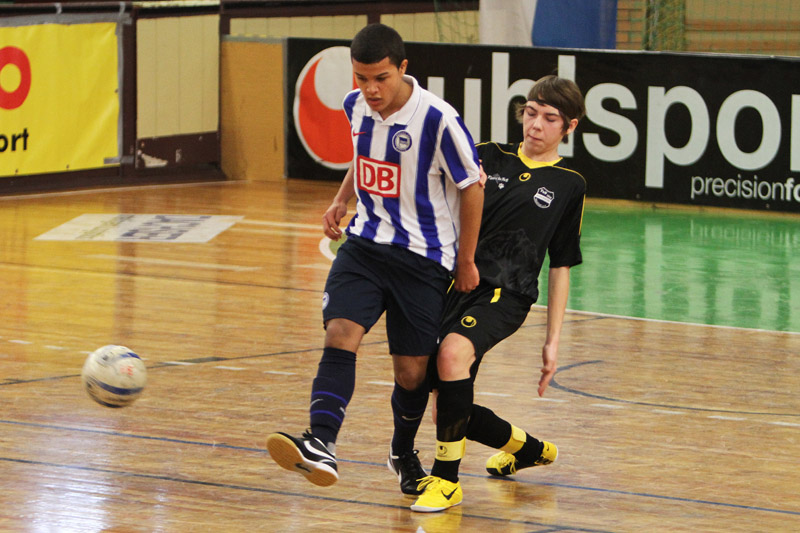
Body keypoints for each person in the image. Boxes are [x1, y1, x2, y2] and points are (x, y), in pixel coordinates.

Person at [266, 23, 483, 491]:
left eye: (381, 78)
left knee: (412, 372)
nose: (371, 89)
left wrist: (466, 260)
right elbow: (363, 156)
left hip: (424, 258)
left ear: (403, 68)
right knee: (340, 332)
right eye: (361, 78)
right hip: (364, 246)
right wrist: (341, 198)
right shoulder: (354, 106)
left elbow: (472, 186)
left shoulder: (438, 119)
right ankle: (321, 441)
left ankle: (402, 452)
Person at [409, 75, 587, 512]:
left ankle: (446, 481)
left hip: (506, 294)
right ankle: (530, 450)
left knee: (452, 355)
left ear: (570, 126)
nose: (536, 125)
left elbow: (561, 265)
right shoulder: (487, 155)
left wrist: (553, 341)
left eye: (549, 118)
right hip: (453, 284)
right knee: (449, 411)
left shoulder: (569, 184)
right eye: (531, 113)